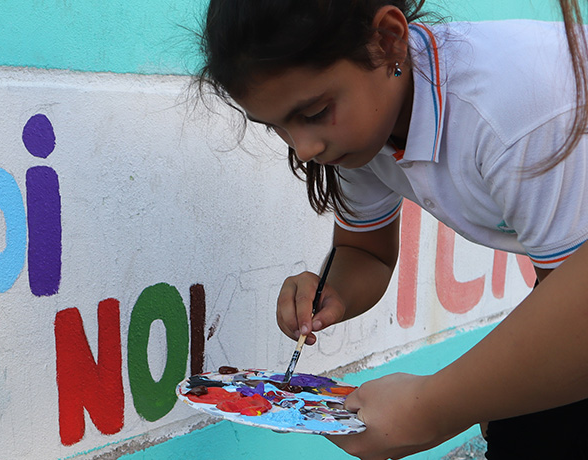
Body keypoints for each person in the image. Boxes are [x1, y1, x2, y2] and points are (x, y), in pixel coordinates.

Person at [196, 0, 588, 458]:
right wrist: (334, 291)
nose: (303, 149)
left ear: (386, 40)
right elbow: (367, 253)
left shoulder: (515, 112)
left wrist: (432, 408)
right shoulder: (363, 129)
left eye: (316, 112)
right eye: (276, 127)